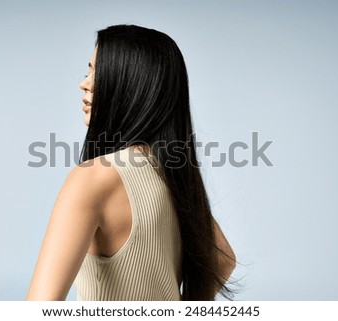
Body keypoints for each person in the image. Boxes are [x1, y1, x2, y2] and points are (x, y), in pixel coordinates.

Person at [26, 24, 236, 301]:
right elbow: (223, 259)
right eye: (88, 70)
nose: (85, 83)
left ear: (131, 87)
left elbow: (41, 306)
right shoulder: (172, 172)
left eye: (99, 73)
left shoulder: (92, 178)